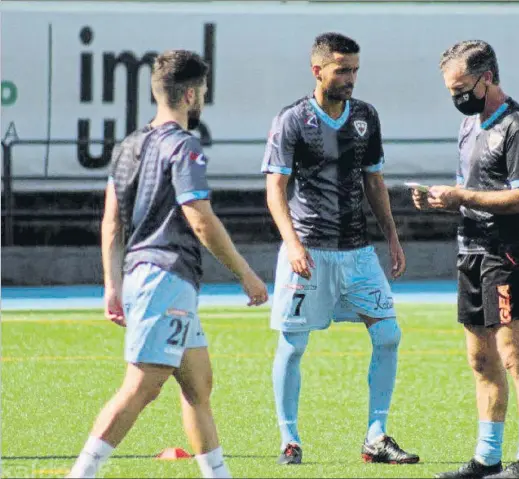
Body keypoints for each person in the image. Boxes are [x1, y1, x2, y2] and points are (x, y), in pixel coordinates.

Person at [67, 50, 268, 479]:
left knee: (198, 385)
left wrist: (112, 283)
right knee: (141, 385)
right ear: (191, 94)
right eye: (204, 94)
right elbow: (198, 215)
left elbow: (111, 220)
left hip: (144, 275)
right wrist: (245, 273)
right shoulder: (184, 145)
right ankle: (81, 474)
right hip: (166, 278)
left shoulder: (128, 146)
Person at [261, 32, 420, 466]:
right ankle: (289, 439)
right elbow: (275, 188)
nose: (351, 78)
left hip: (357, 251)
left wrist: (391, 234)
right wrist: (292, 243)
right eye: (342, 70)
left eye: (354, 69)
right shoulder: (292, 119)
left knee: (388, 334)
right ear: (318, 71)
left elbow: (374, 180)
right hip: (308, 251)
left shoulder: (366, 117)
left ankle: (376, 436)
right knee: (292, 347)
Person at [411, 40, 519, 479]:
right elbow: (469, 188)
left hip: (505, 252)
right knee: (480, 359)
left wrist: (461, 196)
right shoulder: (469, 125)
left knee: (515, 355)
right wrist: (440, 202)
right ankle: (487, 458)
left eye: (461, 87)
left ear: (486, 78)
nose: (456, 97)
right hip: (469, 250)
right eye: (450, 89)